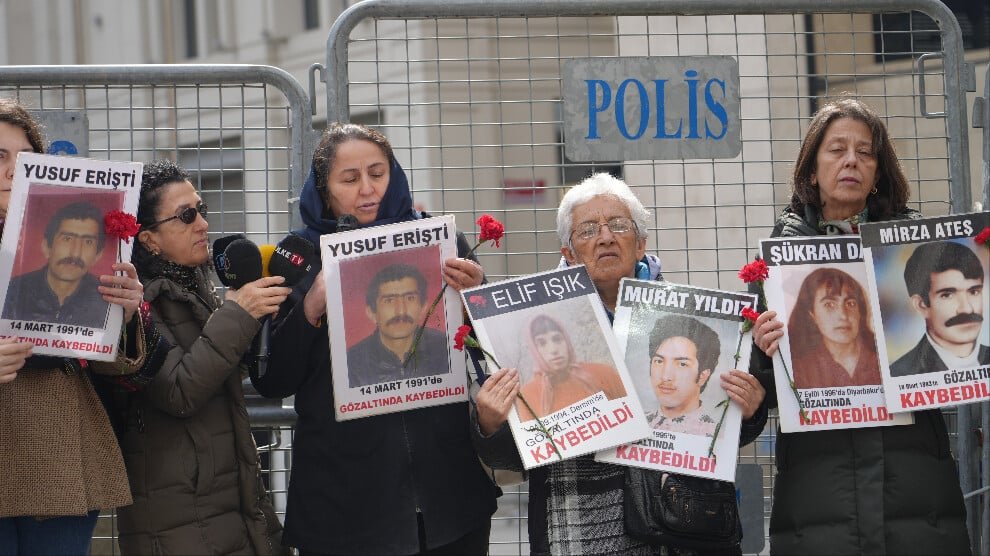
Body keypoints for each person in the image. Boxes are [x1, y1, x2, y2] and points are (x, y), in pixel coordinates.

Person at [472, 172, 767, 555]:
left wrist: (747, 410)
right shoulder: (535, 330)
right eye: (588, 229)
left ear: (641, 243)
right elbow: (512, 456)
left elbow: (719, 436)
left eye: (618, 225)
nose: (605, 237)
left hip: (680, 530)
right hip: (578, 531)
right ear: (568, 253)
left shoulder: (694, 327)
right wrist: (491, 425)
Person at [252, 123, 498, 555]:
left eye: (377, 173)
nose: (367, 189)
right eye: (349, 179)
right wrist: (311, 305)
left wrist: (477, 297)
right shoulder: (297, 258)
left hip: (448, 500)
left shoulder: (442, 242)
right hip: (344, 508)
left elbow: (491, 350)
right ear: (325, 190)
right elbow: (272, 380)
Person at [750, 98, 971, 554]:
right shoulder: (772, 271)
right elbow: (760, 397)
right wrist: (761, 350)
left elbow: (958, 358)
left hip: (915, 492)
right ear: (811, 170)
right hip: (820, 497)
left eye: (865, 152)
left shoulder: (921, 256)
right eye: (836, 150)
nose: (851, 160)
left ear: (878, 172)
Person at [116, 159, 289, 554]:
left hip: (225, 505)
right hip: (178, 518)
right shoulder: (135, 302)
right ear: (148, 239)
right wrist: (237, 315)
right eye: (186, 215)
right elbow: (178, 391)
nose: (203, 224)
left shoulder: (198, 287)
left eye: (202, 210)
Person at [0, 98, 147, 554]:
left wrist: (124, 313)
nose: (11, 170)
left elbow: (116, 365)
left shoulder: (75, 250)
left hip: (56, 450)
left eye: (23, 158)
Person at [2, 200, 111, 327]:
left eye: (88, 242)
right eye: (67, 239)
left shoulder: (108, 300)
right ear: (46, 247)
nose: (75, 253)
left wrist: (128, 315)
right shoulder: (11, 291)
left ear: (98, 255)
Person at [890, 240, 988, 377]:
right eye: (947, 295)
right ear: (921, 304)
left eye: (973, 292)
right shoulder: (902, 373)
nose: (966, 308)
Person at [347, 262, 448, 387]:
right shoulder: (351, 362)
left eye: (410, 298)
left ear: (423, 307)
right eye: (389, 300)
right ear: (371, 312)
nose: (401, 311)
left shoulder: (446, 348)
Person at [515, 314, 626, 420]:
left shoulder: (603, 372)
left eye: (557, 339)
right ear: (534, 349)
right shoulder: (527, 396)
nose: (553, 350)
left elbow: (633, 411)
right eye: (542, 343)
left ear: (566, 340)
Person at [788, 267, 881, 388]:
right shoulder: (799, 371)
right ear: (812, 315)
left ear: (860, 312)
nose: (843, 315)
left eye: (850, 303)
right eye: (830, 304)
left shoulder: (884, 360)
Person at [646, 314, 719, 436]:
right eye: (659, 361)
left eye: (682, 364)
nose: (666, 376)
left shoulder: (716, 435)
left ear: (703, 376)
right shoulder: (634, 424)